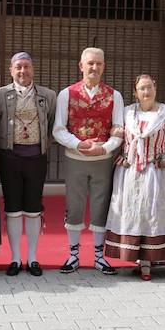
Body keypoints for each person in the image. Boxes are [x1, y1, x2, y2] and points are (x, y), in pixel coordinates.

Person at [105, 75, 165, 281]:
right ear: (135, 91)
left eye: (149, 87)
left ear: (155, 88)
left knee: (152, 213)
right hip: (129, 171)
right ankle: (136, 257)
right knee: (132, 213)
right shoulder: (126, 113)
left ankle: (149, 260)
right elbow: (115, 133)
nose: (146, 92)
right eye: (142, 88)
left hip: (156, 171)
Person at [53, 47, 125, 275]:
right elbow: (58, 129)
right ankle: (73, 255)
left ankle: (98, 256)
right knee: (74, 206)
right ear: (81, 65)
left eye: (99, 64)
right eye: (90, 63)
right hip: (75, 158)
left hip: (103, 159)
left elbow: (119, 130)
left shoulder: (114, 95)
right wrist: (78, 144)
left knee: (100, 206)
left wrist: (104, 147)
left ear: (104, 66)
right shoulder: (67, 94)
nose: (94, 67)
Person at [0, 51, 57, 277]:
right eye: (18, 67)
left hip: (36, 159)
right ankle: (15, 258)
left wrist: (42, 145)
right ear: (11, 70)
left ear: (33, 69)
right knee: (12, 209)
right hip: (9, 158)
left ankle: (33, 258)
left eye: (26, 66)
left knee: (33, 209)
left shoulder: (47, 96)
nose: (22, 71)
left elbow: (52, 127)